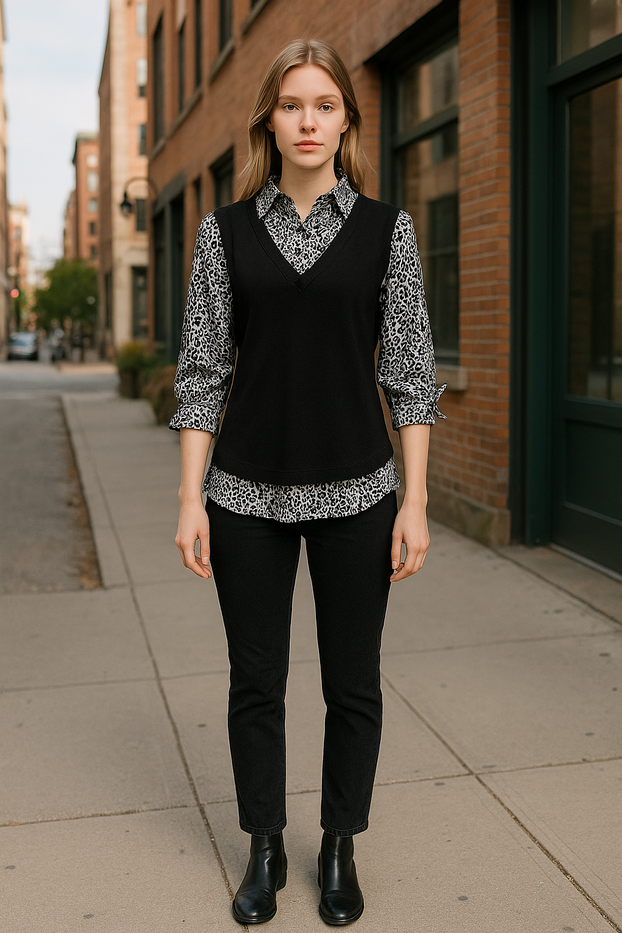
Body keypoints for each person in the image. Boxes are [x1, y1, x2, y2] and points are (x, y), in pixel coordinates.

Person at [170, 38, 446, 927]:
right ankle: (262, 844)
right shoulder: (224, 233)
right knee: (256, 682)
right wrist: (188, 498)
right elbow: (203, 369)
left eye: (325, 105)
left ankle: (338, 843)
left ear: (347, 123)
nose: (309, 121)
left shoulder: (386, 231)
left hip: (359, 494)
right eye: (293, 105)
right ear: (269, 120)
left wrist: (417, 501)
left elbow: (408, 373)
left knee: (351, 682)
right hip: (244, 493)